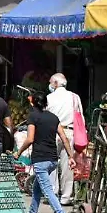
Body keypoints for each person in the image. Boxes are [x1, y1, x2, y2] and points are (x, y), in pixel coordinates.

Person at [16, 91, 76, 213]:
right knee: (37, 189)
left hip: (40, 159)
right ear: (46, 103)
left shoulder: (33, 117)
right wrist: (71, 156)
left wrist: (18, 153)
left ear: (32, 103)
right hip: (52, 160)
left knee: (48, 191)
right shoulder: (54, 118)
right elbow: (64, 138)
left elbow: (30, 139)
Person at [45, 72, 84, 205]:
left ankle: (53, 193)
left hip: (52, 133)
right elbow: (80, 118)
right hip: (69, 133)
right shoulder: (74, 97)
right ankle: (66, 197)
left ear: (55, 83)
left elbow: (45, 117)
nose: (49, 85)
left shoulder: (49, 98)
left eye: (51, 83)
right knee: (68, 165)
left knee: (51, 164)